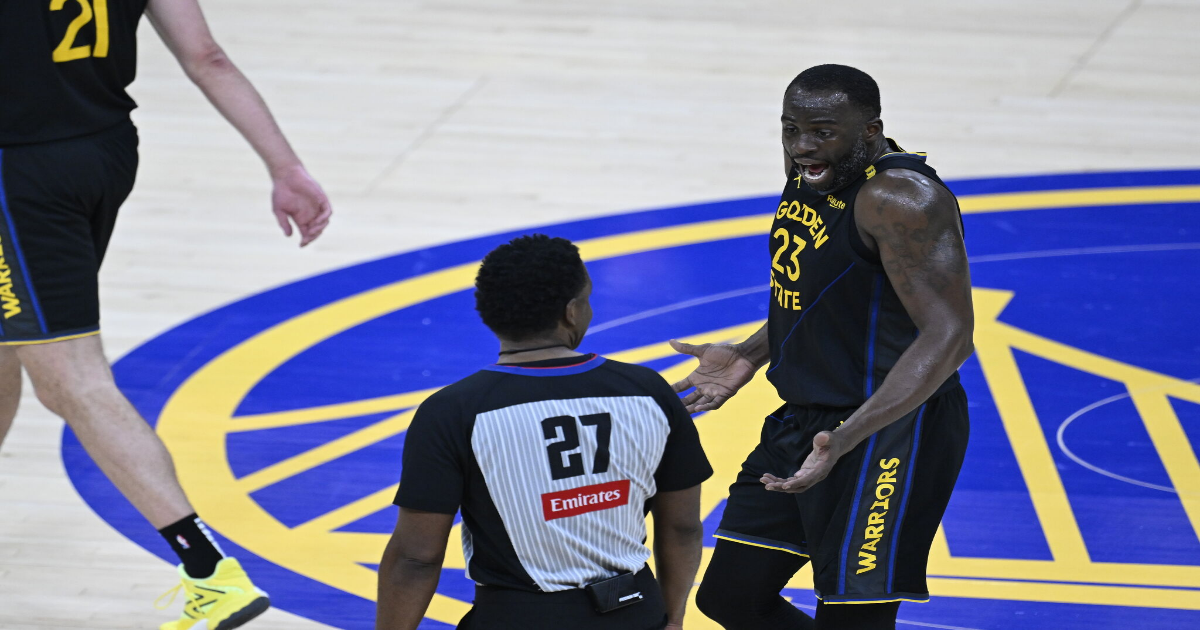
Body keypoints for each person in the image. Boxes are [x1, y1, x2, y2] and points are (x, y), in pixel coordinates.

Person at [0, 1, 331, 628]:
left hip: (18, 173)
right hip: (102, 154)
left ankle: (210, 573)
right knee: (11, 333)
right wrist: (285, 166)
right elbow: (208, 57)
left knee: (70, 378)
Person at [675, 65, 973, 630]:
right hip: (806, 419)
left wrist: (849, 436)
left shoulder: (901, 199)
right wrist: (748, 354)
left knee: (853, 623)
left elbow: (950, 335)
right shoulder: (812, 172)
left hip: (891, 430)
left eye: (822, 132)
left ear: (870, 131)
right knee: (732, 598)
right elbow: (823, 292)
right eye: (791, 129)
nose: (802, 146)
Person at [377, 234, 712, 630]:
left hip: (518, 617)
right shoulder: (648, 390)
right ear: (571, 312)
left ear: (488, 313)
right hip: (635, 611)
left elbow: (417, 557)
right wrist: (672, 619)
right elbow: (683, 526)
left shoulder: (452, 411)